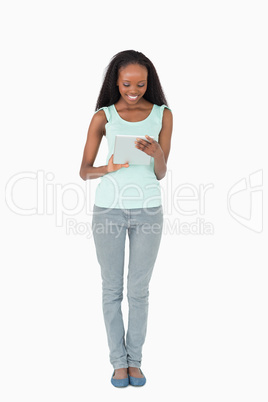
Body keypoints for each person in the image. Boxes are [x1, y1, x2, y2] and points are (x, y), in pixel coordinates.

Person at [79, 50, 173, 387]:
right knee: (111, 290)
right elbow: (84, 171)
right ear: (115, 82)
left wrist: (157, 154)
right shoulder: (103, 116)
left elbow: (160, 173)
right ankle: (118, 363)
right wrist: (110, 167)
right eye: (126, 84)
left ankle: (136, 361)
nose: (133, 90)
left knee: (139, 291)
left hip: (149, 208)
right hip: (109, 209)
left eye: (141, 84)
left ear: (149, 83)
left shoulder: (163, 114)